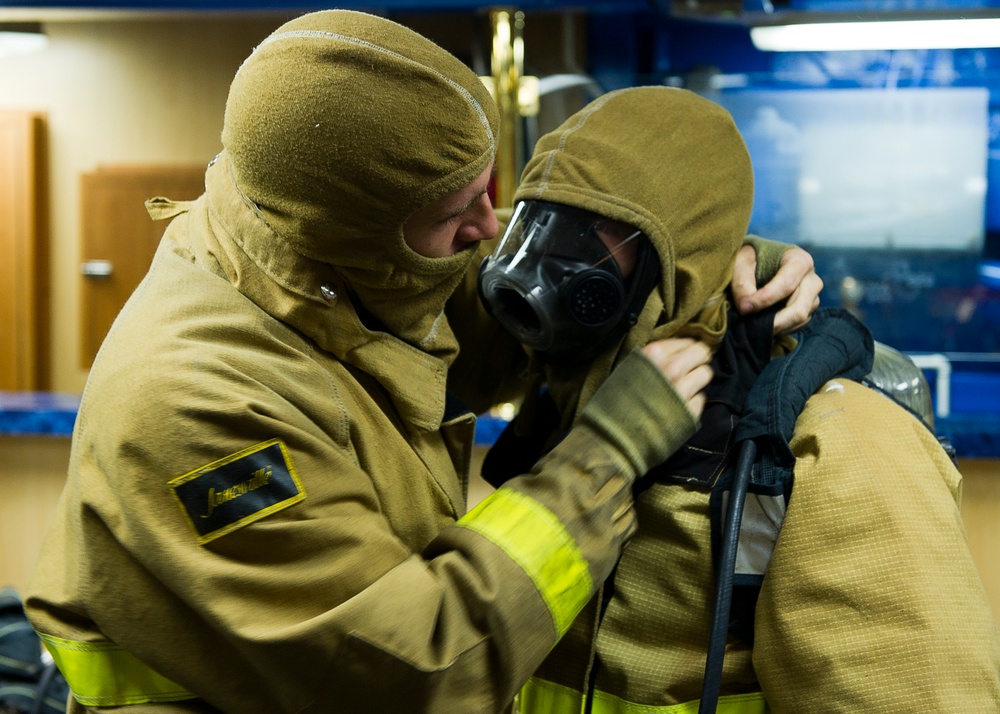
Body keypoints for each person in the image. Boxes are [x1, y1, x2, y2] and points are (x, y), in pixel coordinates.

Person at [23, 11, 821, 714]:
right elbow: (416, 671)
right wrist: (603, 462)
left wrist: (703, 261)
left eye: (490, 191)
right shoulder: (194, 403)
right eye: (454, 215)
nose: (489, 229)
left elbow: (499, 309)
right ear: (355, 232)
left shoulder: (332, 264)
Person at [477, 86, 1000, 712]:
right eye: (539, 223)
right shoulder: (561, 402)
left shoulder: (831, 445)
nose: (544, 267)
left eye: (591, 233)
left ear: (680, 252)